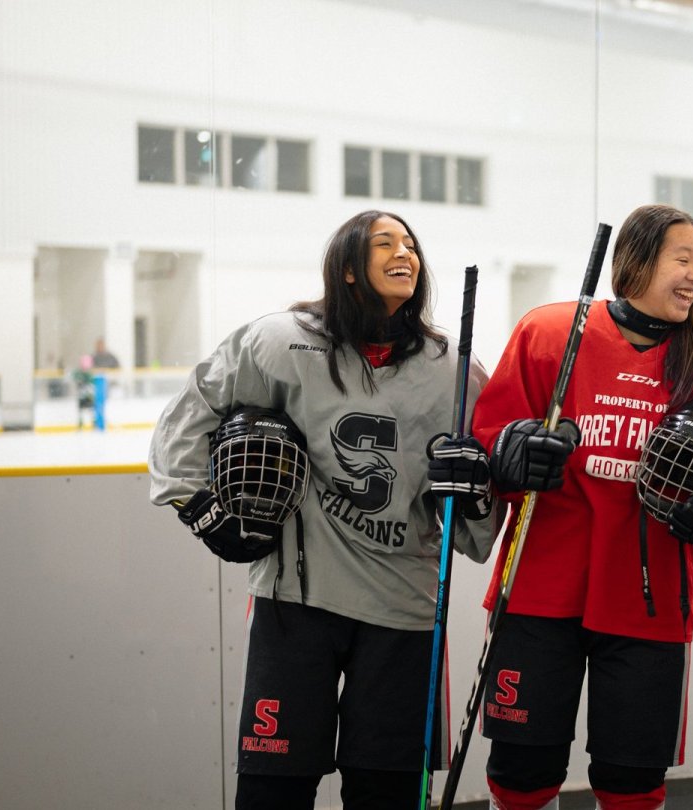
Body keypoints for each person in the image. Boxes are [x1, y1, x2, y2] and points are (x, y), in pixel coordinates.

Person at [148, 210, 502, 809]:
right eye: (385, 242)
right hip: (295, 605)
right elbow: (189, 415)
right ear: (346, 267)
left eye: (412, 245)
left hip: (403, 613)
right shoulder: (280, 342)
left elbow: (475, 531)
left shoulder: (455, 372)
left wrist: (473, 485)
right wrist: (201, 508)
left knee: (386, 794)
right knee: (271, 792)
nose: (405, 253)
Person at [468, 204, 693, 810]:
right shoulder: (549, 334)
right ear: (635, 262)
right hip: (540, 591)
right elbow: (487, 442)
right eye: (683, 259)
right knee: (523, 773)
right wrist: (512, 454)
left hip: (647, 605)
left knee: (631, 782)